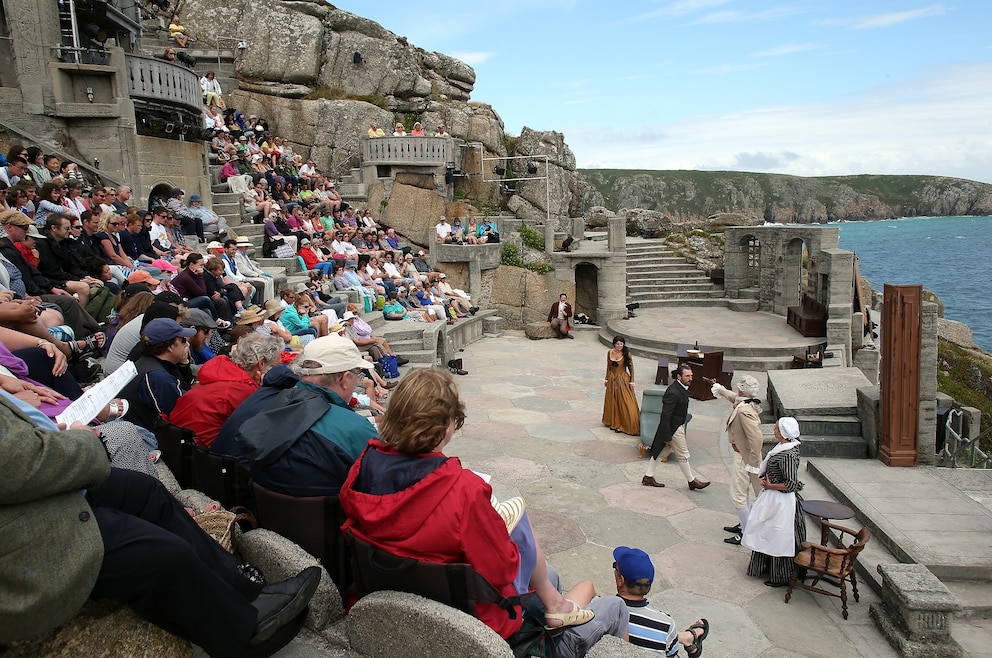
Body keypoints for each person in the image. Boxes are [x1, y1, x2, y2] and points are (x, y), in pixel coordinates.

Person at [0, 390, 321, 657]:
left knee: (145, 490)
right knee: (162, 552)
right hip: (25, 524)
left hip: (37, 490)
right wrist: (82, 442)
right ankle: (242, 632)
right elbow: (17, 465)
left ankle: (246, 590)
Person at [339, 370, 629, 656]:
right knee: (599, 599)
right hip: (467, 623)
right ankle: (554, 620)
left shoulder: (364, 464)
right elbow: (501, 569)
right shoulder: (463, 490)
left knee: (548, 575)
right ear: (446, 428)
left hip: (390, 596)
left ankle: (554, 603)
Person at [236, 335, 381, 496]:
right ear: (345, 379)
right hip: (336, 518)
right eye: (357, 377)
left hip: (270, 515)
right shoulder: (355, 428)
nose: (356, 382)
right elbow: (381, 483)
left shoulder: (270, 406)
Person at [170, 333, 284, 449]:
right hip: (203, 455)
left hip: (179, 444)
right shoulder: (243, 388)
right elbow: (266, 427)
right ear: (261, 363)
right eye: (277, 366)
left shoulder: (222, 370)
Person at [741, 417, 805, 588]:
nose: (774, 430)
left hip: (783, 503)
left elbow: (791, 483)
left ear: (783, 432)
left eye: (776, 428)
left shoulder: (788, 455)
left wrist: (771, 485)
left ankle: (782, 575)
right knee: (767, 532)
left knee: (779, 537)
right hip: (773, 498)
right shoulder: (781, 448)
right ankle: (766, 567)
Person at [612, 546, 709, 657]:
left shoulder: (599, 607)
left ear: (621, 580)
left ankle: (687, 638)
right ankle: (687, 639)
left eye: (615, 567)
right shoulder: (666, 623)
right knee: (665, 636)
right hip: (662, 634)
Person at [712, 375, 764, 545]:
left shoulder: (744, 411)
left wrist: (754, 463)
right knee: (743, 492)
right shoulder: (745, 402)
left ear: (741, 388)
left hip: (745, 458)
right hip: (744, 455)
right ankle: (744, 524)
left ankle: (747, 531)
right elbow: (733, 397)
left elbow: (756, 438)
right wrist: (719, 388)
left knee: (737, 495)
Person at [118, 318, 195, 430]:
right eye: (182, 340)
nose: (186, 344)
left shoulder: (144, 362)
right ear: (170, 346)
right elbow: (182, 415)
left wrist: (184, 363)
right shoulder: (158, 378)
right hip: (149, 441)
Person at [642, 364, 709, 490]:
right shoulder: (673, 392)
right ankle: (692, 481)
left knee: (661, 451)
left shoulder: (681, 388)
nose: (690, 378)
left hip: (677, 426)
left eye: (691, 375)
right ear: (679, 376)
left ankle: (648, 476)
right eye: (687, 376)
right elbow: (666, 415)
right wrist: (667, 435)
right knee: (683, 454)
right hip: (674, 429)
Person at [602, 335, 640, 435]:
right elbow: (608, 366)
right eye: (618, 344)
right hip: (612, 379)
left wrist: (632, 381)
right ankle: (613, 421)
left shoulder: (627, 354)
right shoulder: (610, 352)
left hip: (622, 379)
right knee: (613, 400)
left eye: (621, 344)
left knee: (625, 401)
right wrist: (606, 379)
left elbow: (631, 368)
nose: (620, 346)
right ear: (614, 344)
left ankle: (627, 424)